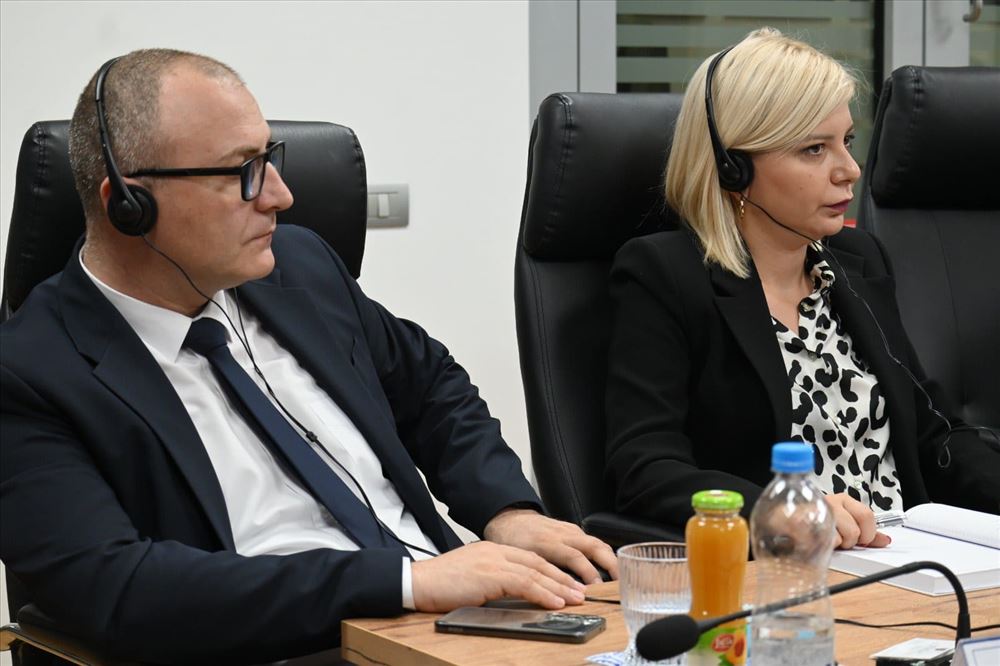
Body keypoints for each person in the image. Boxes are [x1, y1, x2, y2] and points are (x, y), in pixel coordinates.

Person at [0, 49, 617, 664]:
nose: (280, 195)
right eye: (242, 172)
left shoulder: (299, 267)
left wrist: (507, 511)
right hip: (290, 646)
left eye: (269, 159)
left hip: (453, 628)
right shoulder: (30, 373)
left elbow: (431, 385)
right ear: (129, 206)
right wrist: (404, 583)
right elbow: (117, 588)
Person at [604, 28, 999, 552]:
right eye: (814, 149)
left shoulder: (858, 262)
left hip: (909, 557)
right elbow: (645, 467)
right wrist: (785, 511)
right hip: (789, 566)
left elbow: (935, 433)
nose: (850, 171)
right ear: (734, 168)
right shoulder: (664, 275)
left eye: (847, 142)